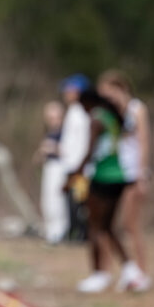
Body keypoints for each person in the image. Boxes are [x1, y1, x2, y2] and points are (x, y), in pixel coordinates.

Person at [66, 88, 148, 293]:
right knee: (108, 227)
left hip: (102, 176)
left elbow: (89, 152)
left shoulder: (97, 119)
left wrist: (73, 177)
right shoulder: (112, 117)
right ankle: (131, 271)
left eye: (82, 107)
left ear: (87, 104)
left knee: (94, 225)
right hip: (118, 176)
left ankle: (99, 274)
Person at [98, 69, 151, 288]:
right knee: (107, 224)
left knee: (131, 224)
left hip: (132, 174)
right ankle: (109, 271)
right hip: (114, 174)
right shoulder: (109, 113)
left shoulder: (137, 109)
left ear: (121, 89)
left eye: (110, 93)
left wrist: (142, 175)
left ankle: (141, 272)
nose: (107, 98)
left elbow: (144, 142)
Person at [58, 74, 91, 241]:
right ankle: (73, 232)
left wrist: (80, 166)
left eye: (68, 89)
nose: (65, 93)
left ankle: (81, 234)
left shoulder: (82, 112)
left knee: (79, 202)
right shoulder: (73, 111)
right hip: (70, 164)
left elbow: (84, 142)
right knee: (72, 201)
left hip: (78, 166)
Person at [34, 99, 68, 245]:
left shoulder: (65, 132)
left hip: (59, 167)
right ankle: (50, 230)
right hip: (49, 167)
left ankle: (59, 231)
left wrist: (53, 148)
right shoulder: (49, 133)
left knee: (57, 200)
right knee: (47, 200)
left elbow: (70, 151)